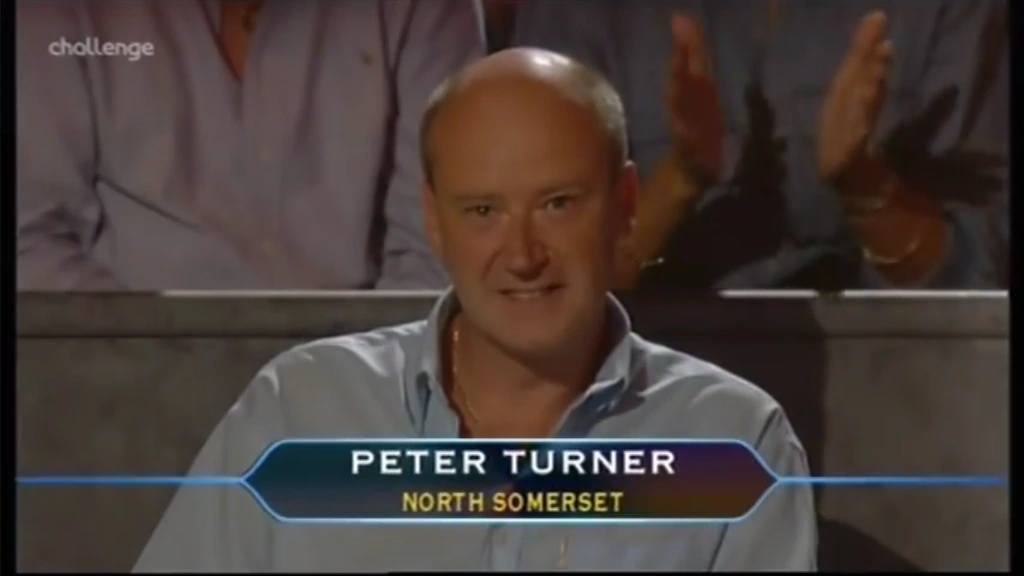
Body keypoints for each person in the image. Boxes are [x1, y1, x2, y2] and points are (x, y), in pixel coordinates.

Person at [134, 49, 816, 572]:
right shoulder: (300, 410)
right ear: (435, 221)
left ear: (626, 205)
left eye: (557, 204)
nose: (522, 254)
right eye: (483, 210)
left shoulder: (733, 441)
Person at [513, 0, 1010, 291]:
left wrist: (866, 188)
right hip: (645, 399)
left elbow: (980, 274)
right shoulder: (583, 12)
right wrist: (679, 181)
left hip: (898, 387)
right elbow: (539, 279)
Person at [17, 0, 483, 290]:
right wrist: (152, 368)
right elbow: (30, 243)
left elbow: (439, 250)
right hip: (120, 378)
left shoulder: (425, 10)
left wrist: (351, 387)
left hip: (353, 377)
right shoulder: (56, 14)